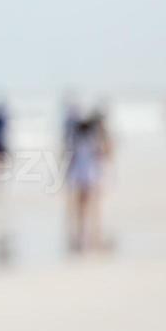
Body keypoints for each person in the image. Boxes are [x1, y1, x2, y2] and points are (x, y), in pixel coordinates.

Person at [64, 106, 111, 253]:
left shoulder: (77, 138)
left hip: (79, 173)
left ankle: (81, 233)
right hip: (90, 173)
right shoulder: (93, 138)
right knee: (93, 205)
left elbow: (70, 157)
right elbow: (104, 153)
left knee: (80, 206)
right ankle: (93, 233)